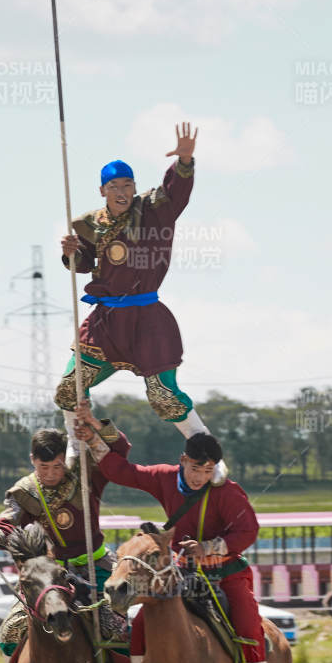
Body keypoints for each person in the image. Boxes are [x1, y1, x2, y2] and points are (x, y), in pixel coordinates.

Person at [73, 401, 268, 663]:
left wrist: (208, 548)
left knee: (249, 625)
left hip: (226, 573)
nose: (200, 477)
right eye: (195, 469)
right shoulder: (164, 477)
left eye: (207, 471)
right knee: (139, 624)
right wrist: (92, 439)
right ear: (183, 461)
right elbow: (123, 472)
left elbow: (248, 531)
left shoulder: (228, 492)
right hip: (180, 572)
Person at [56, 122, 226, 482]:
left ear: (134, 187)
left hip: (147, 319)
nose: (121, 192)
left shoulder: (152, 210)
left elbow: (176, 192)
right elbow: (82, 264)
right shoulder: (88, 224)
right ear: (102, 190)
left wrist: (184, 161)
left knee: (163, 395)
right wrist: (71, 253)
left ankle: (208, 456)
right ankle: (75, 444)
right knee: (70, 386)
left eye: (127, 185)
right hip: (105, 322)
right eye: (114, 187)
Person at [0, 424, 122, 663]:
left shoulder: (85, 475)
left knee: (119, 628)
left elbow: (120, 449)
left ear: (65, 460)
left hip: (96, 568)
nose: (51, 473)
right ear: (32, 460)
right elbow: (8, 520)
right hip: (50, 576)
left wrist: (96, 425)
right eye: (44, 467)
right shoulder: (24, 491)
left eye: (57, 466)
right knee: (10, 631)